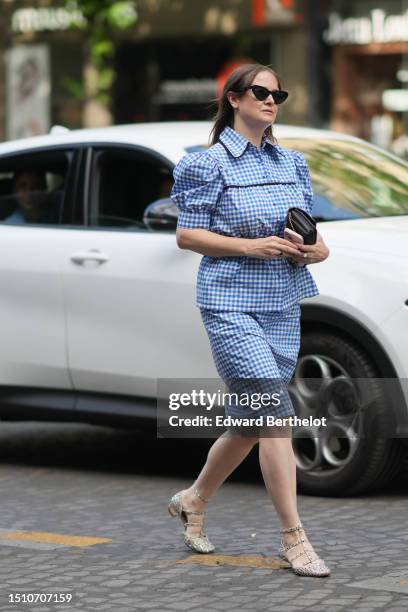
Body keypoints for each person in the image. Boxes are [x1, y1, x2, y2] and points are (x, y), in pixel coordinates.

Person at [168, 64, 330, 577]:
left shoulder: (294, 164)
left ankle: (194, 498)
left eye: (278, 93)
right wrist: (250, 246)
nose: (271, 100)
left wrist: (310, 253)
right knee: (275, 415)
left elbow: (317, 241)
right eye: (260, 92)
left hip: (283, 304)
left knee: (252, 422)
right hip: (230, 304)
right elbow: (187, 235)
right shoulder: (207, 165)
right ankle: (293, 537)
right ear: (234, 99)